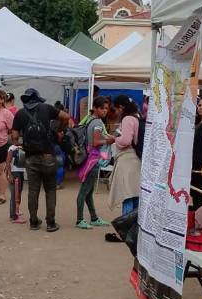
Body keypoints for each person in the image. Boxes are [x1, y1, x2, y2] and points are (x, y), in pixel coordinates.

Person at [11, 88, 70, 232]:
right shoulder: (47, 108)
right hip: (48, 156)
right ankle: (51, 223)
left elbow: (14, 137)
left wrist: (23, 142)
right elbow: (66, 116)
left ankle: (33, 222)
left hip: (30, 158)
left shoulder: (19, 113)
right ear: (38, 98)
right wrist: (58, 131)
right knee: (50, 189)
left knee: (33, 190)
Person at [76, 97, 115, 229]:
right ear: (96, 108)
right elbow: (96, 142)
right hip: (93, 160)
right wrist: (108, 141)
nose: (105, 111)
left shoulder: (88, 119)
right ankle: (79, 220)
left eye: (106, 108)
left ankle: (93, 218)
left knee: (88, 191)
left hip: (87, 158)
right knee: (84, 192)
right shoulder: (98, 123)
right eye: (102, 108)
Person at [108, 95, 142, 216]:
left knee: (127, 195)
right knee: (136, 196)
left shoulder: (127, 119)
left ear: (121, 107)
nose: (115, 112)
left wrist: (114, 140)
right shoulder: (138, 116)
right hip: (138, 159)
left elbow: (126, 140)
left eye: (115, 109)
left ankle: (126, 230)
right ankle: (135, 230)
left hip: (128, 160)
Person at [6, 143, 26, 223]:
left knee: (18, 194)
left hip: (20, 173)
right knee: (15, 195)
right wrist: (10, 175)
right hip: (15, 173)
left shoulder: (22, 147)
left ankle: (16, 212)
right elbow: (7, 162)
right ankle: (13, 216)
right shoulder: (12, 148)